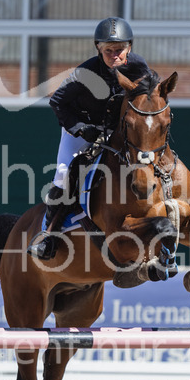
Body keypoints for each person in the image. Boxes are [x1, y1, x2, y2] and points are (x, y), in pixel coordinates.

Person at [27, 17, 151, 260]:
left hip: (117, 131)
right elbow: (57, 102)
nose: (114, 55)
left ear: (129, 48)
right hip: (83, 129)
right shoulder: (86, 72)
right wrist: (82, 128)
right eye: (108, 51)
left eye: (119, 49)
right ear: (98, 49)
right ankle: (47, 235)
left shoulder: (139, 68)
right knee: (63, 175)